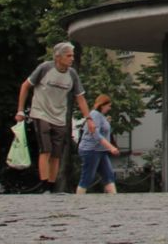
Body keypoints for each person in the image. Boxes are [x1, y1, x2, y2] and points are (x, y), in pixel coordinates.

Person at [15, 42, 90, 193]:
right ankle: (44, 186)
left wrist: (88, 118)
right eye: (68, 56)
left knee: (56, 153)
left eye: (72, 56)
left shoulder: (72, 74)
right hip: (41, 112)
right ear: (58, 57)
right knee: (46, 149)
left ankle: (51, 184)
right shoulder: (45, 68)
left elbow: (80, 97)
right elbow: (25, 86)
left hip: (59, 117)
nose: (71, 59)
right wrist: (20, 110)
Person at [76, 94, 122, 195]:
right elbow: (96, 135)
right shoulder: (94, 115)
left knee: (109, 175)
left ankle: (114, 198)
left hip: (101, 151)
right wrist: (111, 148)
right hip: (91, 150)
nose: (109, 108)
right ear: (102, 105)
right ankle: (79, 199)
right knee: (88, 177)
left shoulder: (101, 116)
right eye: (108, 106)